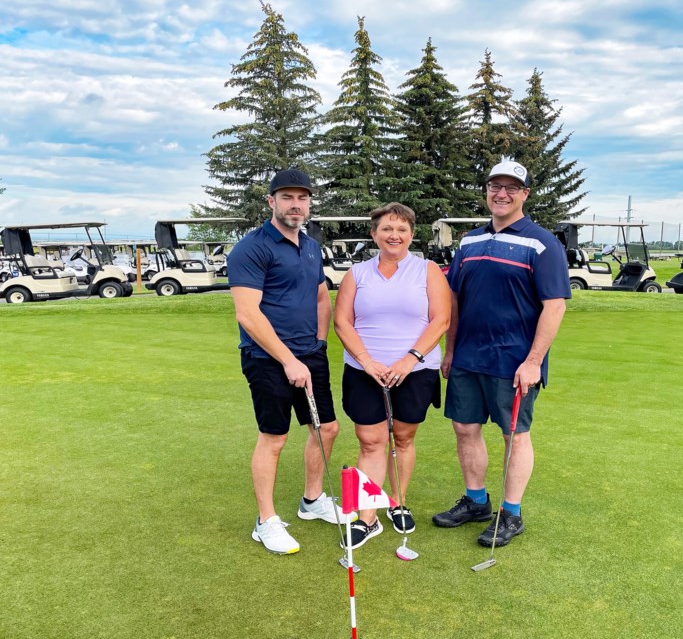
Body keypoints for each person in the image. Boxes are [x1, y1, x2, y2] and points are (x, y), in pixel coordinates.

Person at [432, 159, 571, 548]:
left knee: (514, 435)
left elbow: (554, 305)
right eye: (496, 186)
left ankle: (511, 513)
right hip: (468, 357)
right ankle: (476, 501)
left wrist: (532, 361)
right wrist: (450, 350)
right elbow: (456, 298)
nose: (502, 193)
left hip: (514, 361)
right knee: (464, 428)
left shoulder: (542, 243)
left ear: (525, 194)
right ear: (487, 191)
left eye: (512, 187)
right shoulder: (470, 241)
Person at [228, 168, 354, 555]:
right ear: (271, 202)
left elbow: (320, 296)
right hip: (266, 358)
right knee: (275, 438)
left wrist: (317, 343)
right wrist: (287, 359)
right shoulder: (251, 248)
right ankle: (265, 521)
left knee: (326, 428)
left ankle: (312, 501)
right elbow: (248, 314)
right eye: (287, 197)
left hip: (308, 354)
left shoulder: (312, 245)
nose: (295, 204)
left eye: (302, 198)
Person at [333, 203, 451, 548]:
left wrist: (409, 360)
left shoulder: (427, 270)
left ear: (411, 235)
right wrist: (367, 361)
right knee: (371, 441)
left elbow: (440, 320)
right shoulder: (358, 273)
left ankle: (397, 501)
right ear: (374, 235)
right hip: (364, 370)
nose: (394, 235)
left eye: (401, 229)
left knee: (403, 439)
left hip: (415, 371)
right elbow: (342, 321)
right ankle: (368, 517)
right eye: (386, 228)